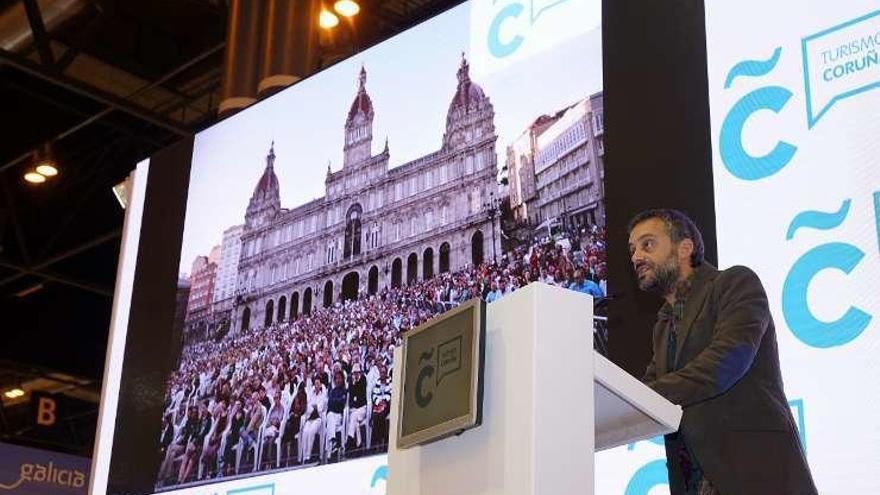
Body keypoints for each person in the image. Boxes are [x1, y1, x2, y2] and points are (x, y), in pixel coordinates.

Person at [628, 209, 817, 495]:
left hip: (755, 473)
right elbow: (650, 388)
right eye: (632, 249)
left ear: (685, 248)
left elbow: (726, 362)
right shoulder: (663, 324)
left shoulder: (734, 283)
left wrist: (639, 396)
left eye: (648, 244)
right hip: (693, 481)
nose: (636, 257)